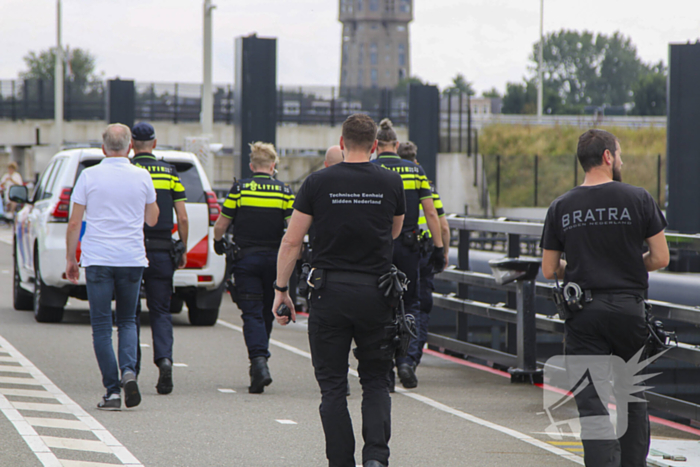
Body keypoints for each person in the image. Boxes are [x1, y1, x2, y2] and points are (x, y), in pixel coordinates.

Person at [273, 113, 406, 467]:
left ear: (342, 143)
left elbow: (291, 242)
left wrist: (281, 290)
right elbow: (393, 232)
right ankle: (376, 458)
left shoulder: (317, 183)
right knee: (376, 380)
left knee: (333, 386)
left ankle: (341, 462)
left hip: (329, 293)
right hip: (376, 293)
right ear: (376, 146)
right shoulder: (392, 183)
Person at [540, 129, 669, 467]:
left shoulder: (560, 206)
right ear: (608, 157)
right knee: (632, 397)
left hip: (584, 314)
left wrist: (581, 267)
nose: (622, 159)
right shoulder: (639, 198)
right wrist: (627, 263)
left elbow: (550, 268)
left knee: (593, 404)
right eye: (620, 154)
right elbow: (660, 258)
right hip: (629, 310)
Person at [66, 123, 159, 410]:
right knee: (128, 320)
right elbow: (153, 219)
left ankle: (112, 391)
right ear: (130, 146)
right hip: (131, 258)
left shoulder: (89, 176)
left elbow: (74, 222)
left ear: (103, 148)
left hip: (98, 259)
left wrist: (71, 259)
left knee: (102, 326)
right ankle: (129, 372)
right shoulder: (142, 176)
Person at [213, 142, 294, 394]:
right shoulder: (284, 192)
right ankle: (260, 362)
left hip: (246, 261)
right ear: (273, 166)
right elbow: (293, 229)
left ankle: (258, 362)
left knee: (251, 314)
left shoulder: (239, 189)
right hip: (275, 262)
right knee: (268, 311)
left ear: (251, 166)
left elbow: (220, 226)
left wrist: (218, 243)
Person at [371, 119, 445, 390]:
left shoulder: (370, 169)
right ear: (397, 145)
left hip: (379, 248)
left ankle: (385, 373)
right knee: (411, 305)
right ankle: (405, 361)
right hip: (410, 247)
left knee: (380, 308)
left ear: (375, 146)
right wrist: (438, 249)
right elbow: (430, 212)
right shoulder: (415, 170)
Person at [131, 122, 189, 395]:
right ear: (154, 144)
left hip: (131, 250)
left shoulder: (128, 170)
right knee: (161, 311)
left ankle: (131, 369)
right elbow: (183, 216)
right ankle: (165, 360)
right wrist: (183, 248)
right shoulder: (169, 172)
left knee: (129, 314)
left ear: (132, 144)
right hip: (163, 250)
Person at [397, 141, 450, 371]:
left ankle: (393, 357)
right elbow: (441, 223)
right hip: (423, 251)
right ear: (416, 160)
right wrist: (443, 251)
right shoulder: (423, 181)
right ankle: (411, 358)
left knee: (392, 303)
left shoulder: (386, 175)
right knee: (418, 305)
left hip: (393, 249)